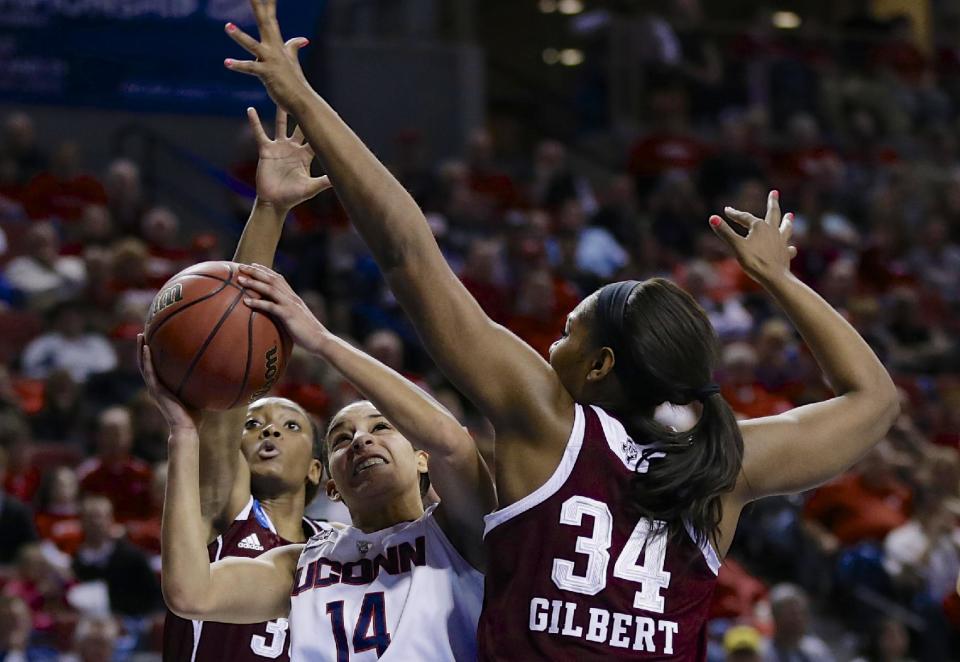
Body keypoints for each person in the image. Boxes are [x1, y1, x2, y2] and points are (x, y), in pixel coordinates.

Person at [223, 3, 899, 657]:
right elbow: (875, 402)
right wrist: (780, 280)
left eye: (569, 332)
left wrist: (305, 100)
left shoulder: (548, 421)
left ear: (601, 366)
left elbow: (407, 253)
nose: (551, 344)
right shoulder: (723, 466)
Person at [150, 262, 495, 660]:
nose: (360, 440)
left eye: (381, 428)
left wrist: (322, 341)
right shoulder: (303, 562)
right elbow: (190, 594)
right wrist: (184, 434)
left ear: (422, 458)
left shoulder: (460, 531)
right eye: (341, 439)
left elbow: (453, 444)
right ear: (332, 484)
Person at [160, 104, 333, 662]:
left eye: (290, 425)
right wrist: (271, 211)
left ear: (317, 469)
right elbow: (233, 327)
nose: (267, 430)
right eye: (256, 422)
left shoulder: (339, 557)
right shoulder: (225, 514)